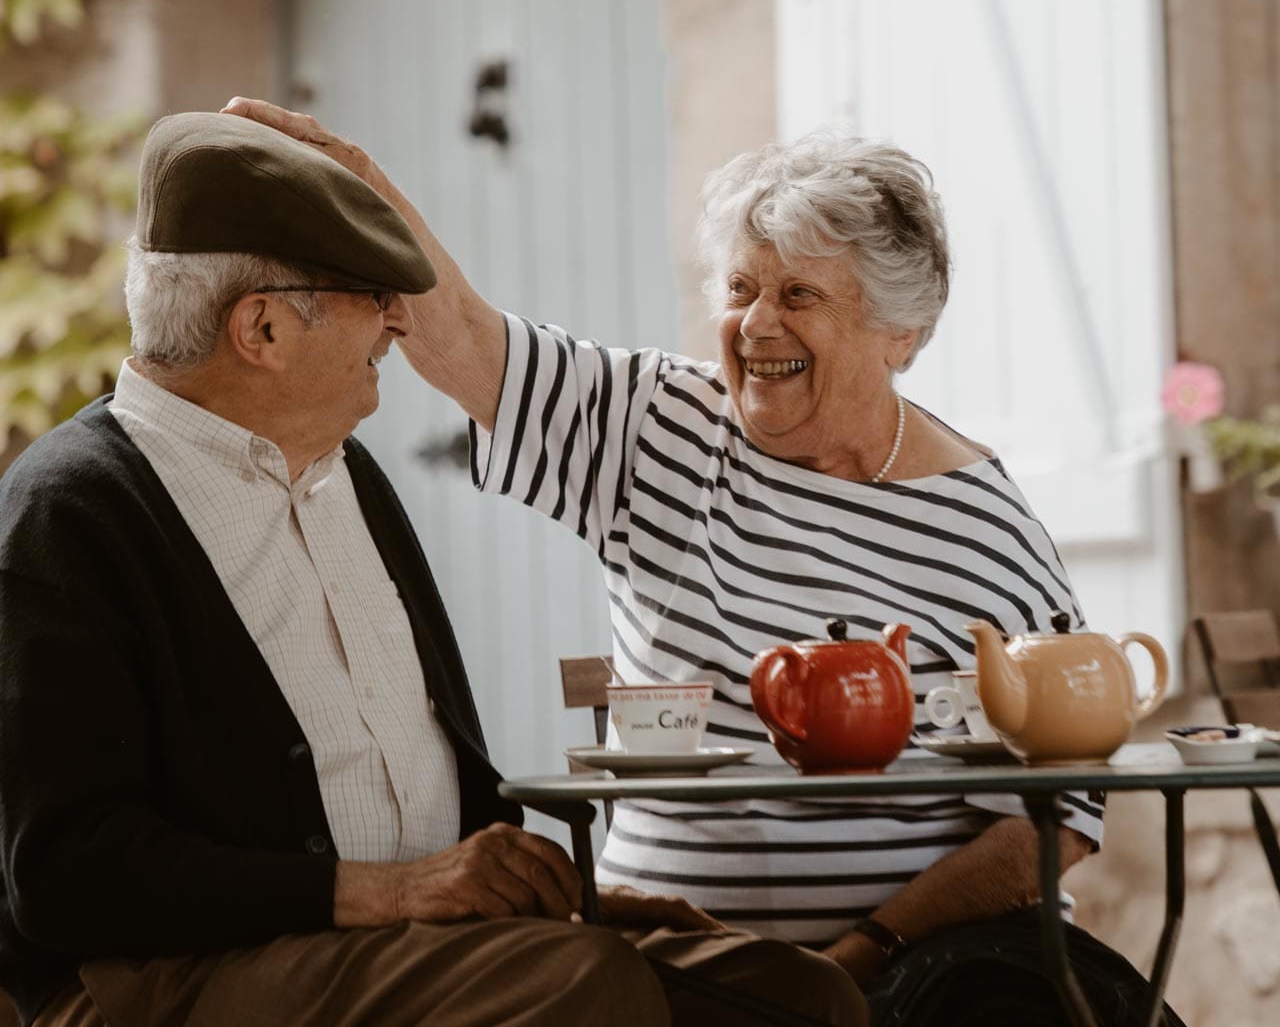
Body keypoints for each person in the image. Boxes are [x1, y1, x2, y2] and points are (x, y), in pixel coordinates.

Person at [228, 102, 1185, 1026]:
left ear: (902, 333)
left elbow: (1053, 819)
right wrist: (349, 181)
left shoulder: (985, 525)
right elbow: (466, 338)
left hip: (930, 974)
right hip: (675, 966)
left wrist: (866, 951)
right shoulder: (657, 428)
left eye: (799, 295)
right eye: (739, 289)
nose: (757, 325)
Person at [0, 112, 863, 1027]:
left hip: (409, 945)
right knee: (585, 985)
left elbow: (428, 785)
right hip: (163, 977)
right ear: (260, 328)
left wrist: (539, 894)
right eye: (368, 293)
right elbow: (65, 874)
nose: (396, 319)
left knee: (800, 995)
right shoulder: (68, 511)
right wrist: (389, 892)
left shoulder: (344, 473)